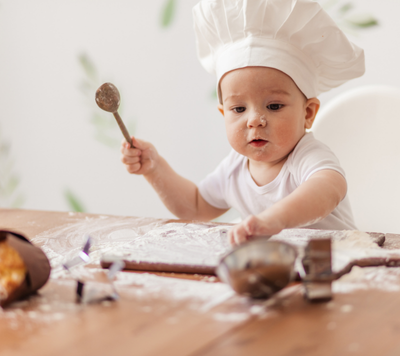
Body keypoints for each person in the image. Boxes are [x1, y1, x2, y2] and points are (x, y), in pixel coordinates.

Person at [120, 0, 365, 245]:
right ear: (224, 114)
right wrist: (155, 169)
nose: (255, 121)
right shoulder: (234, 168)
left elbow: (328, 189)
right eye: (238, 108)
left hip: (340, 268)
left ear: (308, 113)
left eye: (274, 106)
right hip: (281, 272)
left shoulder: (305, 156)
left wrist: (275, 219)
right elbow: (195, 207)